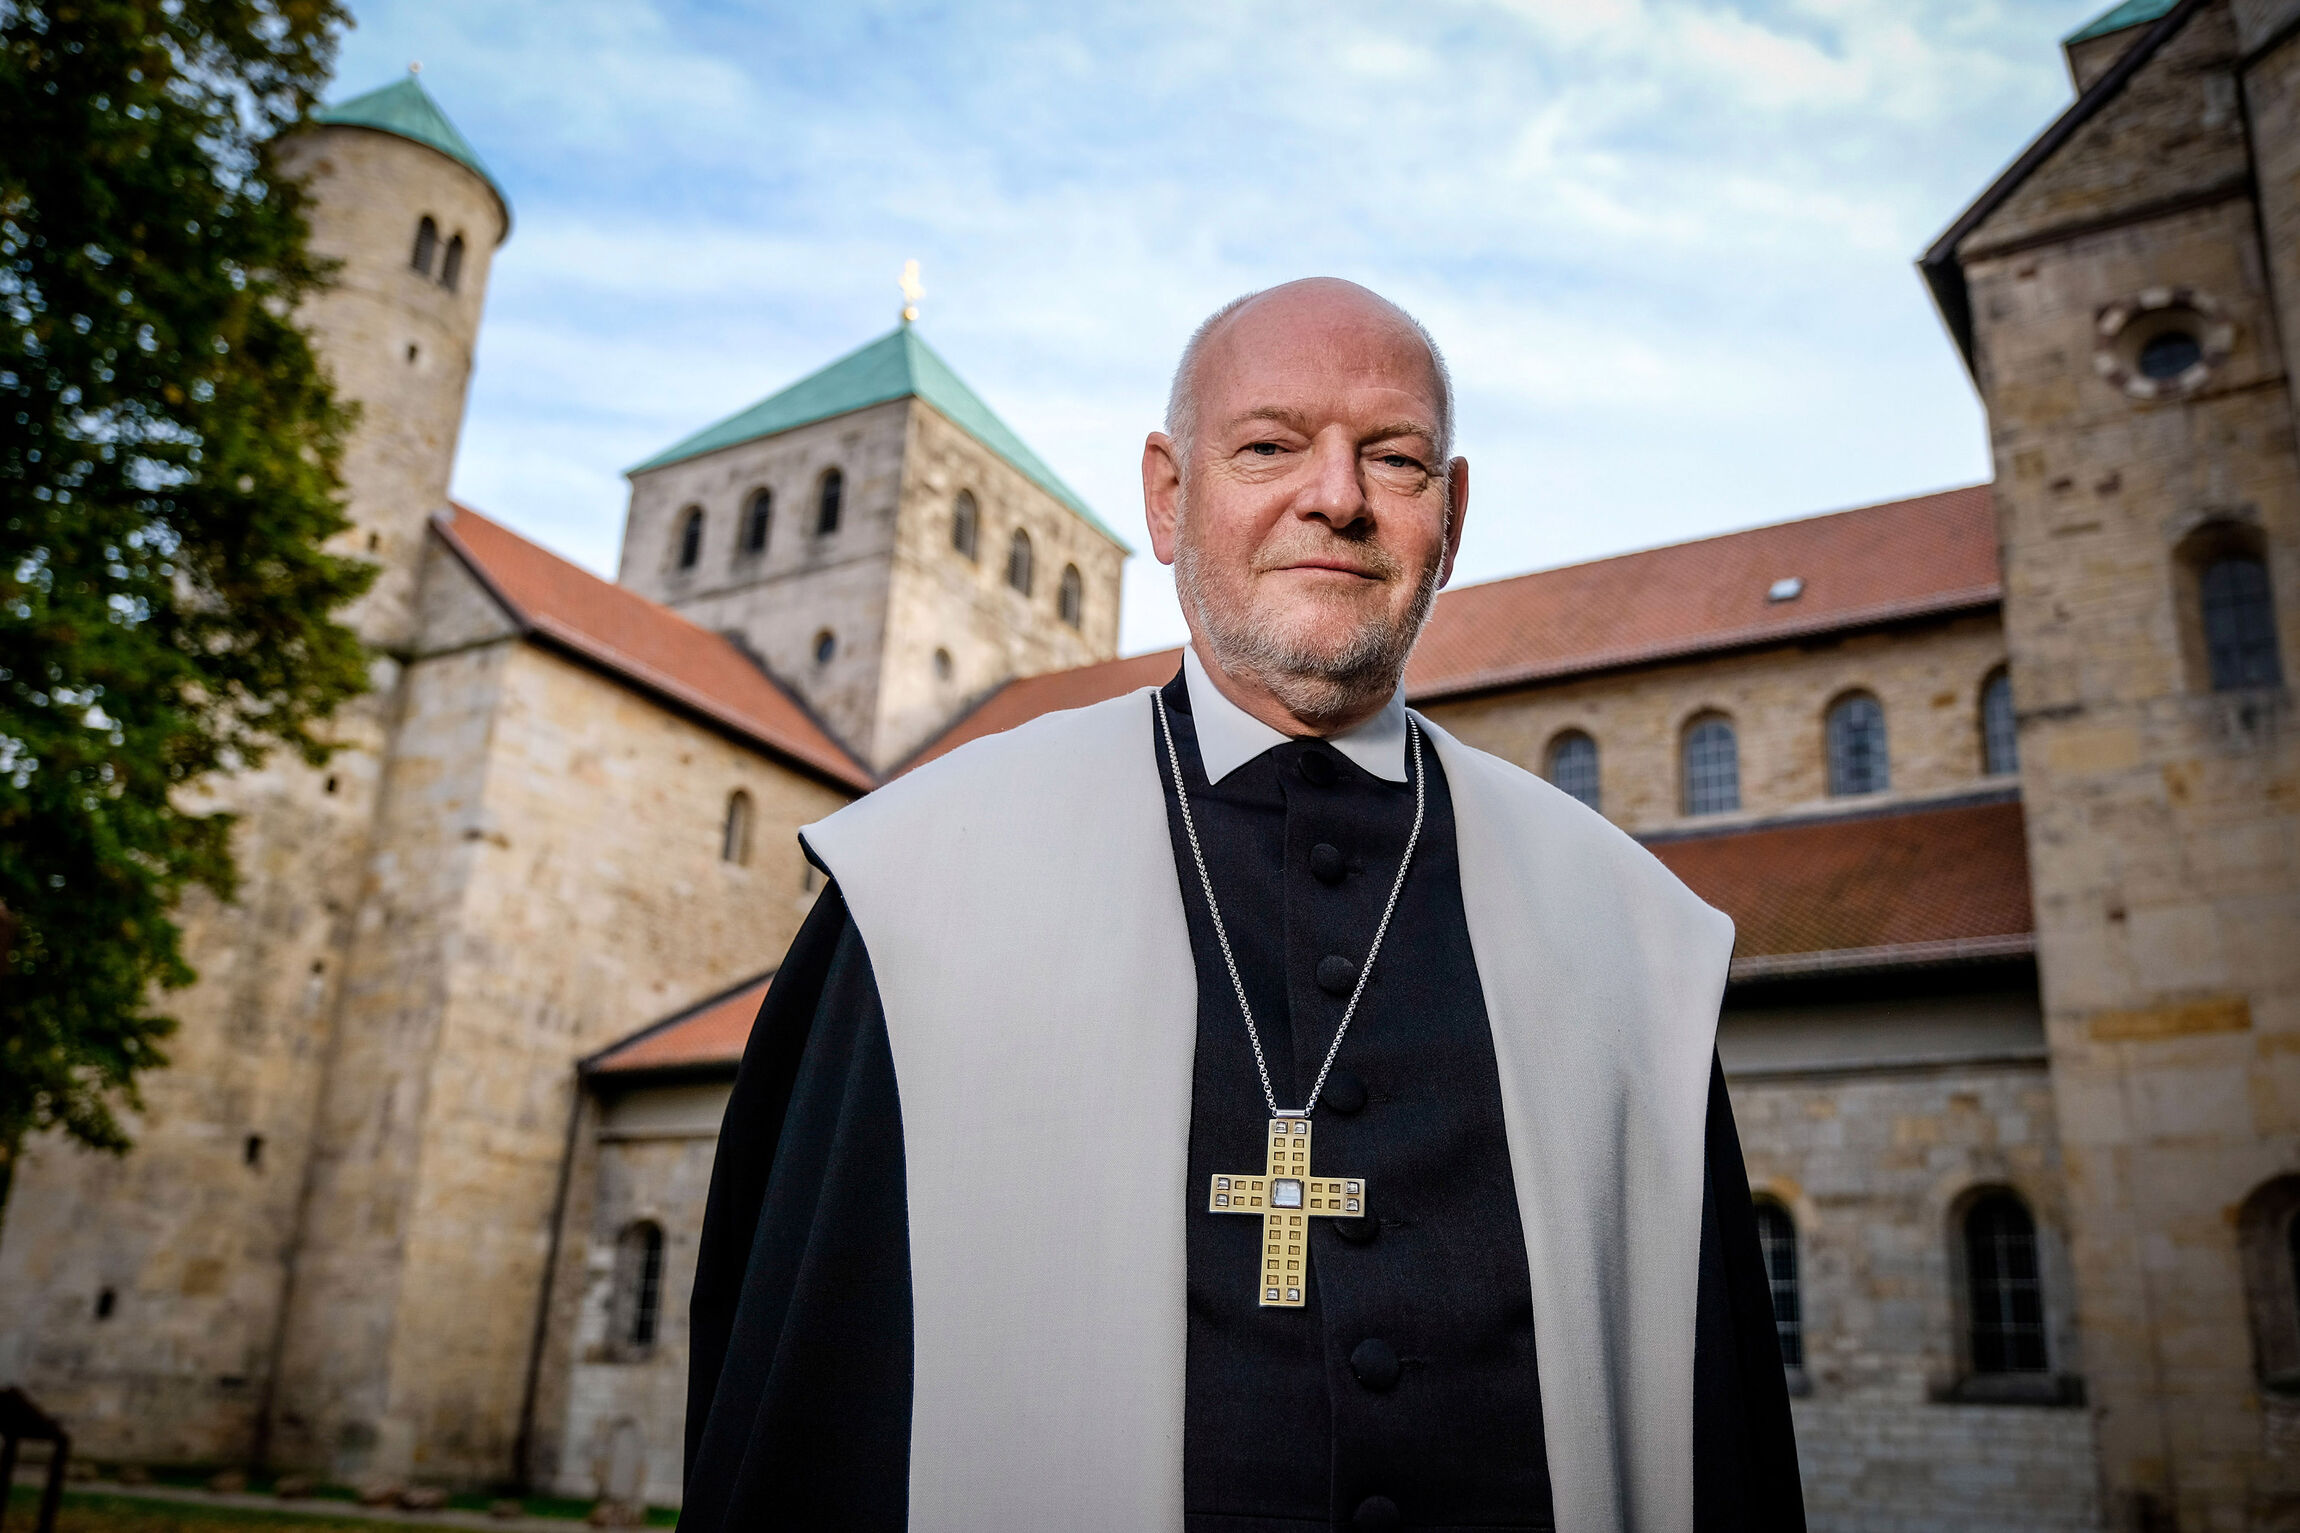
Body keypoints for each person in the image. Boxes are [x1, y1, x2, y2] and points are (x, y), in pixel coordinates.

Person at [682, 278, 1803, 1532]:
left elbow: (1724, 1437)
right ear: (1168, 498)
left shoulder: (1626, 934)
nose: (1335, 497)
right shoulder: (917, 891)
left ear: (1452, 514)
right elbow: (802, 1408)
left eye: (1394, 458)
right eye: (1267, 447)